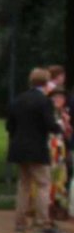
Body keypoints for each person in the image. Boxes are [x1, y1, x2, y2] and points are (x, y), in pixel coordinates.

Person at [7, 67, 66, 233]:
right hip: (37, 149)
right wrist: (59, 127)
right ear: (46, 82)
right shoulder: (44, 101)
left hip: (18, 148)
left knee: (23, 185)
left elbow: (9, 126)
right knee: (43, 184)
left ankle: (20, 222)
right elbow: (49, 124)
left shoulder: (18, 99)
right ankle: (42, 223)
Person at [49, 89, 70, 221]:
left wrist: (67, 122)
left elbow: (67, 134)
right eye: (56, 97)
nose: (59, 100)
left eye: (61, 98)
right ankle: (48, 207)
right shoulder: (49, 113)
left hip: (60, 148)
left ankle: (58, 206)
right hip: (50, 148)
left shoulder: (63, 114)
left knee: (60, 178)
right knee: (50, 178)